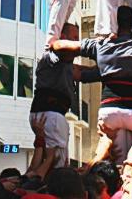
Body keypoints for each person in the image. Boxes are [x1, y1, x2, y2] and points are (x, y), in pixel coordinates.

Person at [51, 6, 132, 164]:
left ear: (113, 23)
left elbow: (59, 45)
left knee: (115, 162)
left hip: (110, 111)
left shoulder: (100, 45)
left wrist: (52, 43)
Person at [29, 22, 79, 168]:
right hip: (51, 113)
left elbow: (80, 72)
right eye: (74, 38)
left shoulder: (64, 63)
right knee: (59, 165)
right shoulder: (53, 54)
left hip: (45, 113)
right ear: (63, 38)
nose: (77, 43)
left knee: (48, 159)